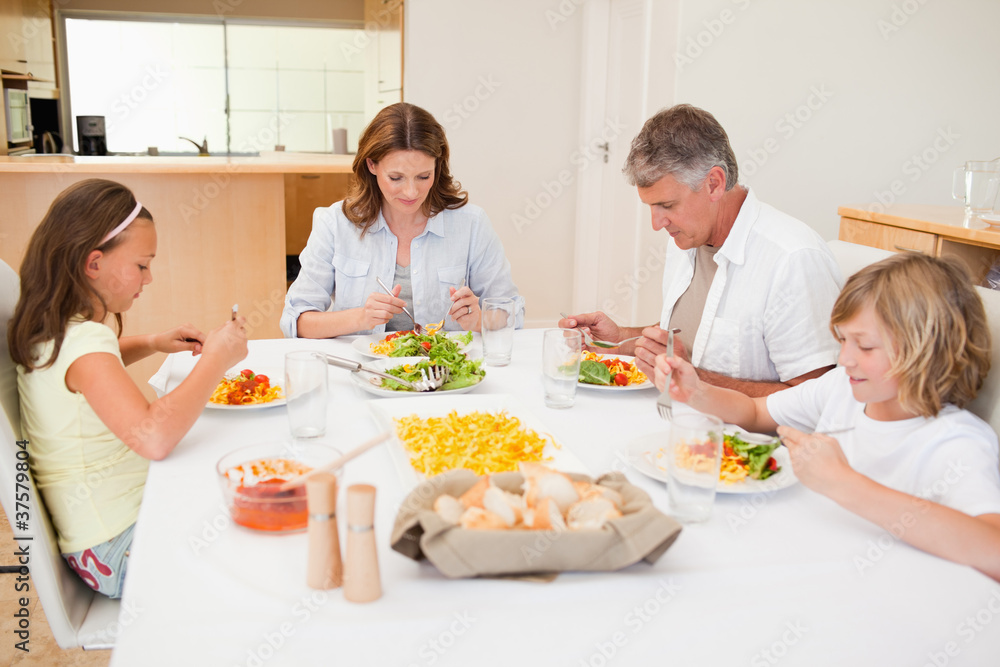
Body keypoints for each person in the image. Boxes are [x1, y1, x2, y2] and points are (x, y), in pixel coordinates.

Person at [653, 253, 1000, 579]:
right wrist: (697, 392)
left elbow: (993, 551)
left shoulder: (956, 443)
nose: (845, 358)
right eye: (843, 341)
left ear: (927, 350)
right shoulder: (841, 388)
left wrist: (843, 483)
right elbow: (756, 412)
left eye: (864, 346)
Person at [8, 179, 248, 598]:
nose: (149, 277)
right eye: (142, 265)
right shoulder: (84, 343)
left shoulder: (54, 333)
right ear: (93, 263)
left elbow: (87, 372)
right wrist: (216, 360)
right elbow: (153, 437)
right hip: (120, 548)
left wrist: (152, 343)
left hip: (98, 541)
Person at [561, 104, 842, 397]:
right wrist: (619, 339)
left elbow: (818, 398)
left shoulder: (793, 260)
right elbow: (694, 333)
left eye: (667, 206)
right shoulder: (688, 238)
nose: (657, 224)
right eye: (651, 207)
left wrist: (695, 380)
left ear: (714, 183)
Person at [280, 102, 524, 338]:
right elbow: (296, 321)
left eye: (423, 176)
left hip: (443, 374)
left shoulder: (471, 224)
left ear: (437, 167)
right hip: (364, 372)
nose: (411, 192)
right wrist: (360, 318)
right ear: (372, 165)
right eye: (396, 177)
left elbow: (512, 312)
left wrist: (479, 319)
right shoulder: (335, 223)